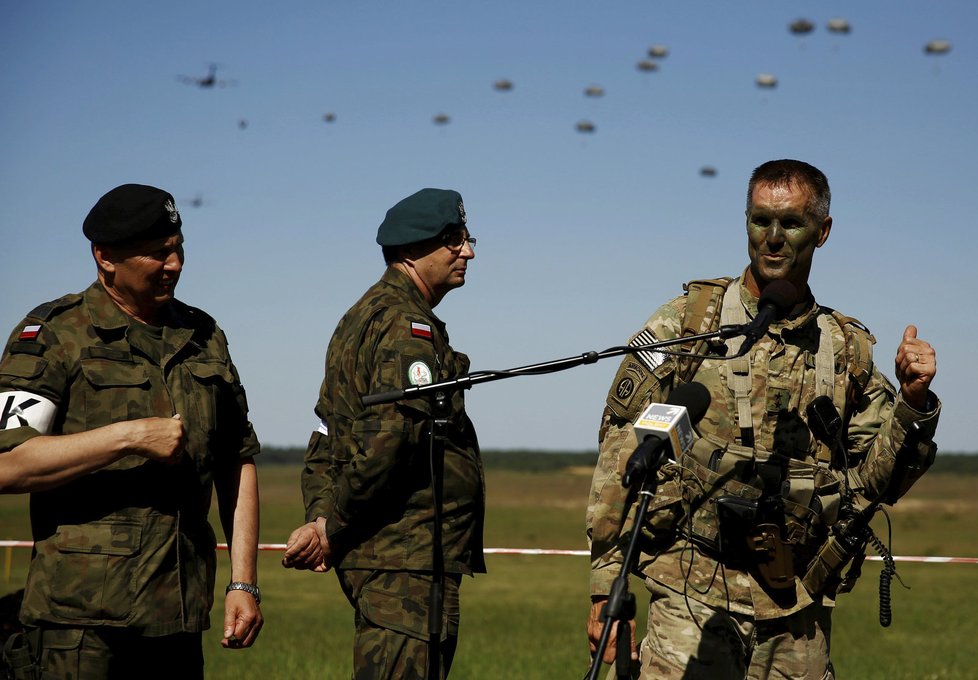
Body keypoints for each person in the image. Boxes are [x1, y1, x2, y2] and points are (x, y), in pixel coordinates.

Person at [585, 160, 940, 680]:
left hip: (796, 602)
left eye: (791, 223)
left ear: (823, 232)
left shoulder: (847, 350)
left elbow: (879, 483)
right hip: (691, 588)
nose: (772, 239)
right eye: (759, 221)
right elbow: (622, 451)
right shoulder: (688, 323)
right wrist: (605, 586)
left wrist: (912, 402)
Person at [0, 184, 263, 678]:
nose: (175, 264)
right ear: (105, 257)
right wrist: (128, 436)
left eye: (178, 247)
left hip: (178, 619)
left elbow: (238, 459)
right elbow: (7, 464)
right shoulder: (54, 333)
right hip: (79, 626)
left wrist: (243, 583)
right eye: (157, 253)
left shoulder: (204, 336)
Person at [282, 188, 485, 679]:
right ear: (411, 250)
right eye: (453, 240)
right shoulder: (404, 325)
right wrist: (332, 527)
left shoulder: (363, 316)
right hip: (404, 564)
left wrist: (324, 518)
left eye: (467, 237)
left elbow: (324, 437)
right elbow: (388, 443)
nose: (469, 251)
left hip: (389, 560)